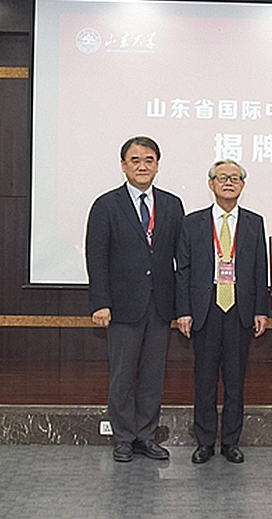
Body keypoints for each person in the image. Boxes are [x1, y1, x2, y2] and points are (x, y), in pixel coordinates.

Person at [85, 136, 184, 463]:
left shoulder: (172, 204)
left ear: (157, 165)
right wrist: (100, 302)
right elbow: (96, 257)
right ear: (124, 165)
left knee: (153, 377)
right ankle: (124, 438)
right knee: (122, 376)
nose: (142, 166)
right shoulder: (106, 205)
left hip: (160, 305)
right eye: (135, 160)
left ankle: (145, 436)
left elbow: (180, 258)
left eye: (149, 160)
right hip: (122, 306)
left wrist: (182, 306)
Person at [176, 160, 269, 464]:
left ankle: (231, 441)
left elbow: (260, 269)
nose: (228, 182)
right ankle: (204, 442)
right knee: (204, 380)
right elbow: (183, 270)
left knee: (235, 380)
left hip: (240, 310)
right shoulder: (192, 223)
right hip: (206, 308)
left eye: (235, 178)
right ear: (211, 184)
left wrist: (261, 310)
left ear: (242, 185)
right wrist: (183, 311)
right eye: (222, 178)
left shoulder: (254, 222)